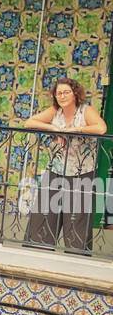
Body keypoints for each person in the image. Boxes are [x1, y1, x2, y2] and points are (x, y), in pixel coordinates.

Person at [19, 77, 107, 254]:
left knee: (77, 217)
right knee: (45, 211)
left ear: (75, 94)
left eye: (66, 92)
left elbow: (101, 128)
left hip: (81, 172)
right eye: (58, 93)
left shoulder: (85, 110)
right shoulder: (55, 111)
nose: (62, 96)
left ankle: (76, 256)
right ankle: (38, 251)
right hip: (56, 169)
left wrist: (77, 129)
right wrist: (53, 128)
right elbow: (29, 122)